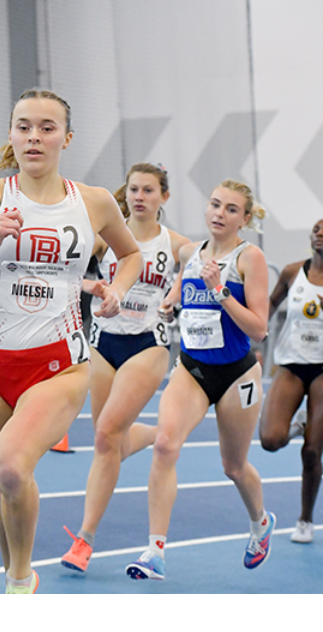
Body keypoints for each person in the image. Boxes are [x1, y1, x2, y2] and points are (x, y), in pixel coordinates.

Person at [0, 89, 142, 594]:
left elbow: (129, 257)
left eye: (46, 128)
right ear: (10, 134)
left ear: (66, 137)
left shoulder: (92, 201)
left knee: (13, 467)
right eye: (24, 126)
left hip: (58, 364)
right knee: (4, 486)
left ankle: (22, 582)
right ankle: (12, 576)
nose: (34, 137)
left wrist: (117, 290)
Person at [126, 179, 273, 581]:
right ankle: (154, 551)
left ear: (244, 218)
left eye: (230, 209)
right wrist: (170, 308)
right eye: (214, 205)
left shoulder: (250, 257)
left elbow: (259, 329)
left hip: (236, 374)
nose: (219, 214)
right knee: (165, 445)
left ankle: (260, 522)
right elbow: (176, 296)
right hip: (191, 368)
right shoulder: (192, 252)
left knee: (234, 466)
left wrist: (221, 291)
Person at [60, 163, 190, 573]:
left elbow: (204, 259)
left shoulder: (174, 243)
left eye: (149, 190)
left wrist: (177, 287)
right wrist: (92, 286)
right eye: (134, 188)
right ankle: (158, 433)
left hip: (147, 345)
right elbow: (66, 274)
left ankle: (85, 540)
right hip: (102, 342)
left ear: (163, 197)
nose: (139, 196)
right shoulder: (104, 239)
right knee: (108, 442)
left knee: (104, 435)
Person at [259, 218, 323, 543]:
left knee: (313, 452)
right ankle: (300, 423)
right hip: (291, 366)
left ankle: (305, 520)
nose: (321, 234)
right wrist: (256, 334)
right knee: (270, 440)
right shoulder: (291, 272)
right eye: (316, 228)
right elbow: (270, 303)